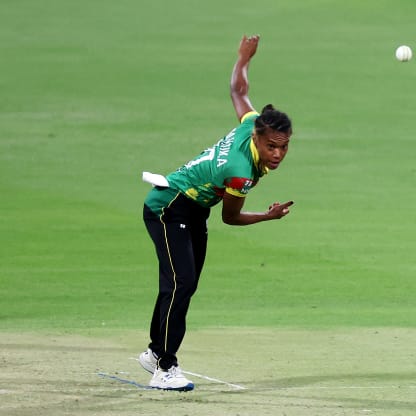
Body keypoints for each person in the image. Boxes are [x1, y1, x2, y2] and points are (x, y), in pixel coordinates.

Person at [139, 34, 294, 391]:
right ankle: (165, 367)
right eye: (271, 146)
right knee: (181, 283)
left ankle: (153, 352)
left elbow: (239, 92)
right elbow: (231, 217)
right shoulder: (240, 171)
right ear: (257, 138)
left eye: (284, 147)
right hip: (168, 206)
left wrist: (243, 58)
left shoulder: (249, 124)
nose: (277, 154)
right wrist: (267, 217)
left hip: (193, 211)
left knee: (182, 285)